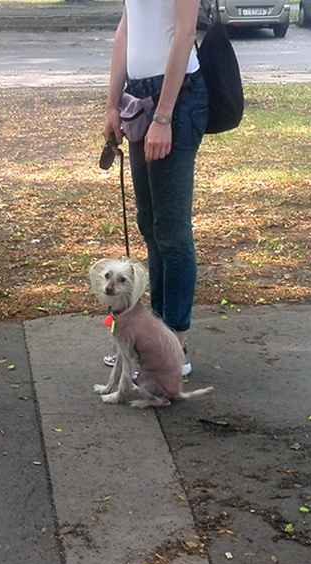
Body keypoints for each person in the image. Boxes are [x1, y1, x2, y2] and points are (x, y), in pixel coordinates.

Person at [102, 0, 208, 375]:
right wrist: (113, 104)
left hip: (176, 99)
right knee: (150, 223)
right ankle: (150, 337)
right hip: (139, 95)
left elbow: (184, 33)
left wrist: (163, 117)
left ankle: (173, 346)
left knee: (173, 230)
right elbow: (126, 28)